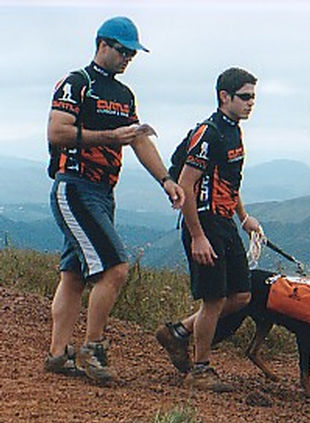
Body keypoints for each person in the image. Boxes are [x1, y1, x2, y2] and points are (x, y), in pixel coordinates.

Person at [44, 16, 184, 384]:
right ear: (102, 44)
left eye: (133, 54)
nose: (128, 59)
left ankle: (58, 356)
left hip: (103, 192)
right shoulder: (78, 84)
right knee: (115, 269)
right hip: (74, 186)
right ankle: (93, 348)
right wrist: (109, 136)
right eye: (123, 51)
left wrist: (166, 180)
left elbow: (137, 139)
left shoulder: (124, 95)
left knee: (73, 275)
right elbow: (57, 132)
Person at [156, 67, 261, 392]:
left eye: (253, 97)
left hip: (225, 220)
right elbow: (186, 185)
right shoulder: (209, 132)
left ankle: (178, 333)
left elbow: (230, 181)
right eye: (245, 97)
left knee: (241, 295)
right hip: (205, 221)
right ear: (224, 96)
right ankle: (200, 370)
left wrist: (243, 217)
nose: (250, 103)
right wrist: (198, 235)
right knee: (214, 301)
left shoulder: (234, 132)